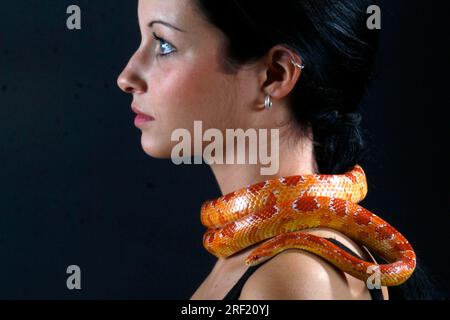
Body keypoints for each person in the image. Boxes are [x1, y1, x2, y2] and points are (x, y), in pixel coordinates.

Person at [117, 0, 436, 300]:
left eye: (164, 45)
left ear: (274, 75)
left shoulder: (289, 277)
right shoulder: (252, 255)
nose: (126, 77)